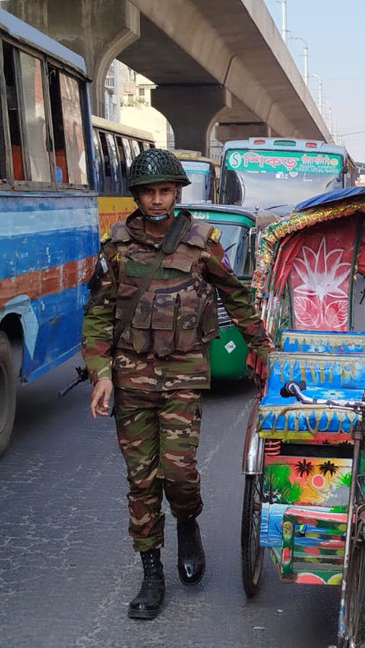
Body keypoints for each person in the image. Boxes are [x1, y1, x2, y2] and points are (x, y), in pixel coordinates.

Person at [82, 148, 273, 620]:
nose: (156, 199)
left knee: (180, 472)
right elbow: (98, 316)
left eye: (165, 190)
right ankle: (152, 572)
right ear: (137, 195)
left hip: (184, 373)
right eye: (148, 191)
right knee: (141, 478)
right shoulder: (117, 246)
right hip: (131, 377)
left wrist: (262, 348)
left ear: (176, 192)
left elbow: (237, 295)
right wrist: (100, 375)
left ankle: (188, 522)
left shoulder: (200, 241)